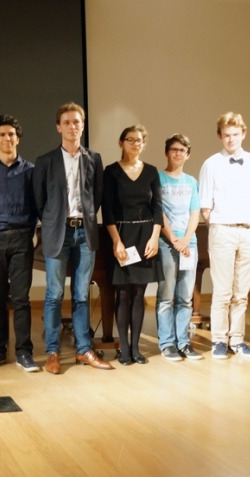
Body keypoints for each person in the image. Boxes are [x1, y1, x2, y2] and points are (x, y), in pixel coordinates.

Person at [34, 102, 112, 373]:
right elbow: (39, 201)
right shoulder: (45, 161)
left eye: (76, 121)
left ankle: (83, 350)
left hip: (85, 232)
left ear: (83, 125)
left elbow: (97, 196)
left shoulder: (94, 159)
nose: (72, 126)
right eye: (66, 122)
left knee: (81, 294)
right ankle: (53, 352)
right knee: (54, 294)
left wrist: (85, 219)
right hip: (57, 232)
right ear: (58, 127)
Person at [199, 112, 250, 359]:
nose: (231, 139)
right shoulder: (211, 163)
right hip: (223, 231)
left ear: (243, 134)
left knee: (241, 293)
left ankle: (237, 340)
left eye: (235, 135)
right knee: (223, 291)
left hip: (248, 230)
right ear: (219, 136)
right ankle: (218, 340)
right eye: (226, 135)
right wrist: (217, 226)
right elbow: (206, 204)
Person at [0, 115, 39, 372]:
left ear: (18, 138)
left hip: (21, 238)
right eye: (2, 135)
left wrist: (33, 233)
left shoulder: (31, 171)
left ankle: (24, 353)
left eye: (11, 134)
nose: (7, 138)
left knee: (22, 298)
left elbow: (38, 204)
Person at [102, 125, 163, 366]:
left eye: (139, 141)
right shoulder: (111, 172)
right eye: (130, 140)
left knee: (139, 293)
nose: (135, 144)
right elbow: (106, 209)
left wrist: (155, 236)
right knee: (123, 291)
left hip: (145, 235)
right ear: (121, 143)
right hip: (122, 235)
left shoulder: (151, 172)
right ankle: (124, 349)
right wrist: (116, 241)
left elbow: (158, 207)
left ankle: (136, 348)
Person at [156, 134, 203, 361]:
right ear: (167, 152)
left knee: (185, 297)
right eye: (173, 149)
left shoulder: (192, 181)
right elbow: (159, 213)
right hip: (166, 243)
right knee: (166, 296)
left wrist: (186, 239)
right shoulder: (158, 178)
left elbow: (195, 212)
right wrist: (174, 238)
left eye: (182, 150)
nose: (177, 153)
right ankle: (167, 344)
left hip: (189, 244)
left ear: (188, 154)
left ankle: (183, 342)